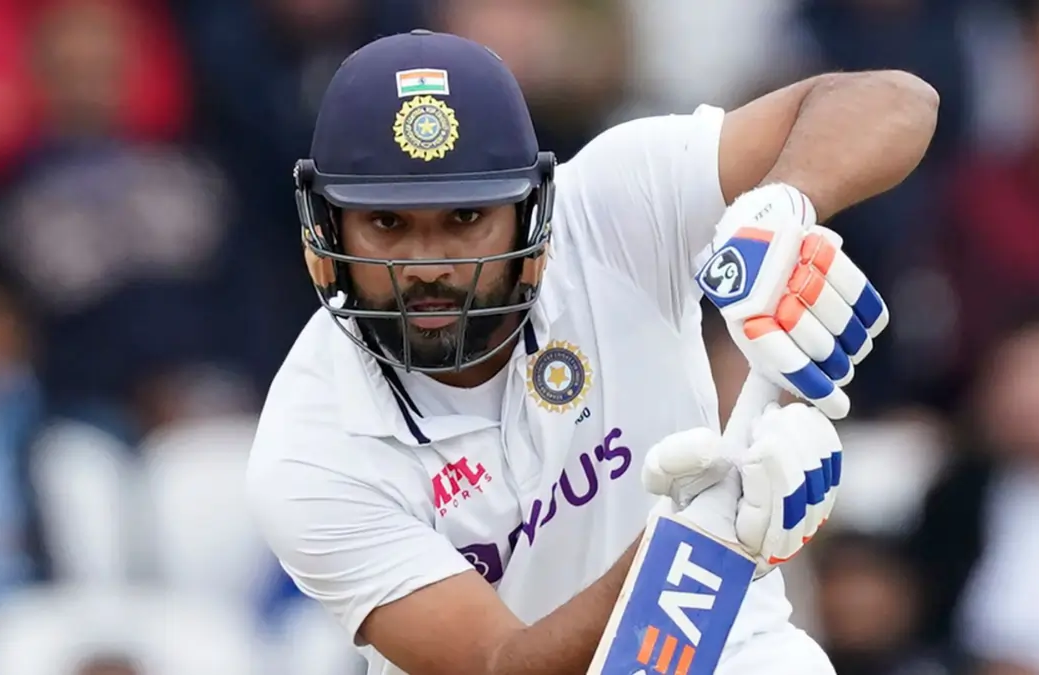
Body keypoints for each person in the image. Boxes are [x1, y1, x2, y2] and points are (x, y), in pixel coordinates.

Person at [247, 30, 938, 675]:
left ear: (532, 212)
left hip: (730, 651)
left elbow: (898, 99)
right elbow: (499, 663)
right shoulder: (310, 448)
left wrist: (779, 211)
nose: (429, 266)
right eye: (387, 222)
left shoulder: (608, 208)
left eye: (466, 216)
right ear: (326, 233)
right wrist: (694, 542)